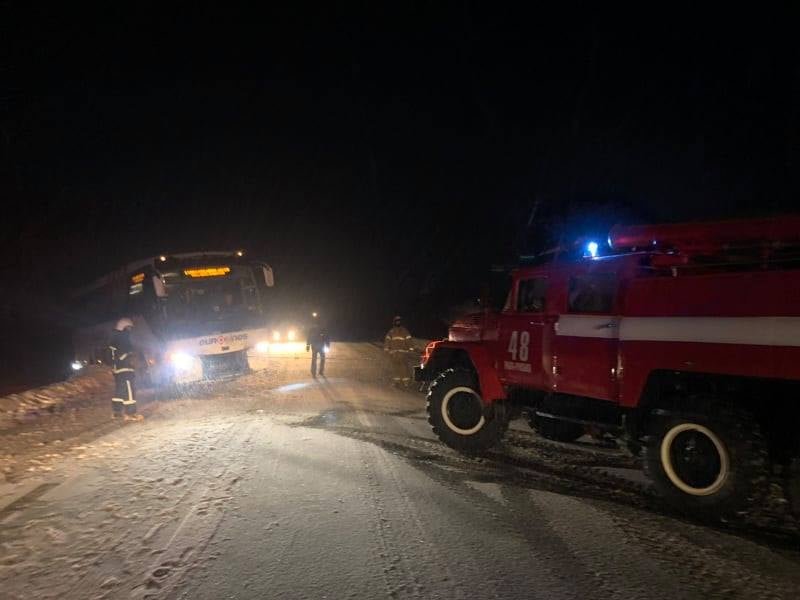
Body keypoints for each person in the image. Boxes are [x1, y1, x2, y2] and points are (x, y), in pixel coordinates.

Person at [109, 318, 143, 421]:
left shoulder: (115, 339)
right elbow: (123, 355)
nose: (130, 330)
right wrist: (130, 355)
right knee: (129, 390)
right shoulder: (122, 339)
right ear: (123, 328)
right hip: (125, 369)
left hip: (119, 370)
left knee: (120, 391)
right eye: (128, 328)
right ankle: (131, 413)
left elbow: (113, 357)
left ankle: (117, 412)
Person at [384, 315, 414, 387]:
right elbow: (387, 341)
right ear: (394, 322)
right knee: (395, 367)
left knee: (403, 367)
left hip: (402, 353)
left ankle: (405, 382)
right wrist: (387, 349)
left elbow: (409, 340)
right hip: (394, 353)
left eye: (399, 321)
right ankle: (397, 381)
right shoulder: (391, 332)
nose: (398, 322)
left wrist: (411, 349)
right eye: (396, 321)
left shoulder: (404, 331)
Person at [306, 314, 330, 378]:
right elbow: (309, 337)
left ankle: (317, 371)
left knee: (319, 359)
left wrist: (308, 345)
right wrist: (308, 345)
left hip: (318, 346)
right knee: (318, 359)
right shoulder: (314, 329)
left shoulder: (321, 328)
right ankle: (316, 372)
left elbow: (326, 337)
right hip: (317, 346)